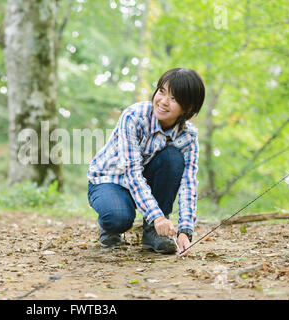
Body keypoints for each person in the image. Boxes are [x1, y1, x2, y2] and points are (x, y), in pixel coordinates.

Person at [87, 68, 205, 257]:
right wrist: (157, 216)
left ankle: (153, 234)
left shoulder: (188, 136)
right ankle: (109, 226)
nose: (163, 101)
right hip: (110, 179)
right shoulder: (134, 116)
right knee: (119, 219)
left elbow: (188, 183)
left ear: (189, 108)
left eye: (174, 99)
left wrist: (185, 230)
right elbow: (132, 173)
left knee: (173, 158)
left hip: (144, 180)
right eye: (161, 91)